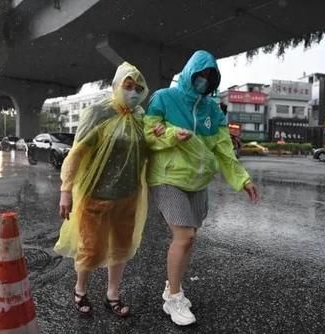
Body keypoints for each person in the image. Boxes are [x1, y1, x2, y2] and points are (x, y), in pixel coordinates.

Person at [144, 50, 259, 326]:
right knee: (184, 237)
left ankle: (172, 284)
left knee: (190, 238)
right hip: (167, 178)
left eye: (210, 77)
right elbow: (148, 132)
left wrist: (242, 179)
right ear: (189, 73)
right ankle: (173, 298)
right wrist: (173, 134)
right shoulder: (164, 98)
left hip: (198, 182)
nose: (204, 81)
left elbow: (223, 149)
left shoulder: (213, 109)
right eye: (201, 75)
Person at [54, 62, 164, 317]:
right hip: (97, 195)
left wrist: (158, 135)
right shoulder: (98, 113)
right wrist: (66, 190)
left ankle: (112, 294)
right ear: (116, 86)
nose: (134, 92)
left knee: (121, 248)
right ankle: (80, 290)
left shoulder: (140, 118)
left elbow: (147, 151)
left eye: (138, 88)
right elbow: (76, 153)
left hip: (129, 195)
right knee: (90, 248)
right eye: (128, 86)